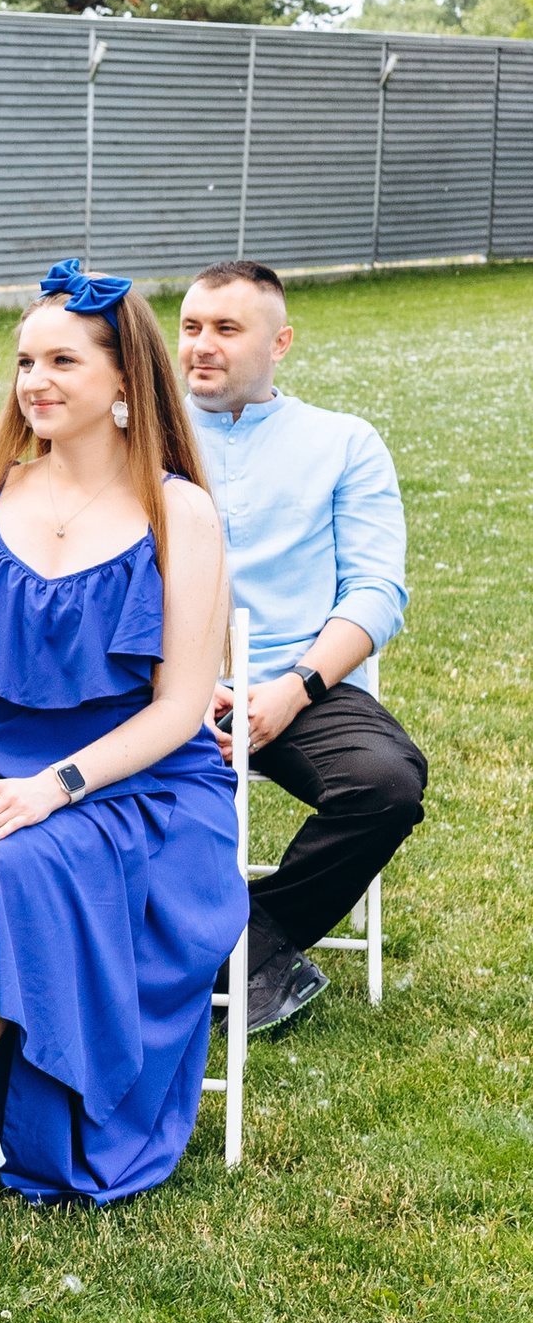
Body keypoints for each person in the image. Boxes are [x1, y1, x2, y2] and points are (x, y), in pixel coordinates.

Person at [0, 260, 246, 1209]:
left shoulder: (178, 510)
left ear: (126, 381)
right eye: (24, 361)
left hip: (137, 789)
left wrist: (49, 788)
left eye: (63, 359)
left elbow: (182, 708)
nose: (35, 381)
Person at [178, 262, 425, 1033]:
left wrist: (291, 690)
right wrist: (188, 683)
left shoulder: (343, 442)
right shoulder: (140, 435)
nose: (202, 347)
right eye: (190, 328)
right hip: (160, 683)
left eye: (227, 329)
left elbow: (376, 592)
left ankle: (234, 947)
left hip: (296, 680)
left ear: (279, 342)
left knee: (386, 783)